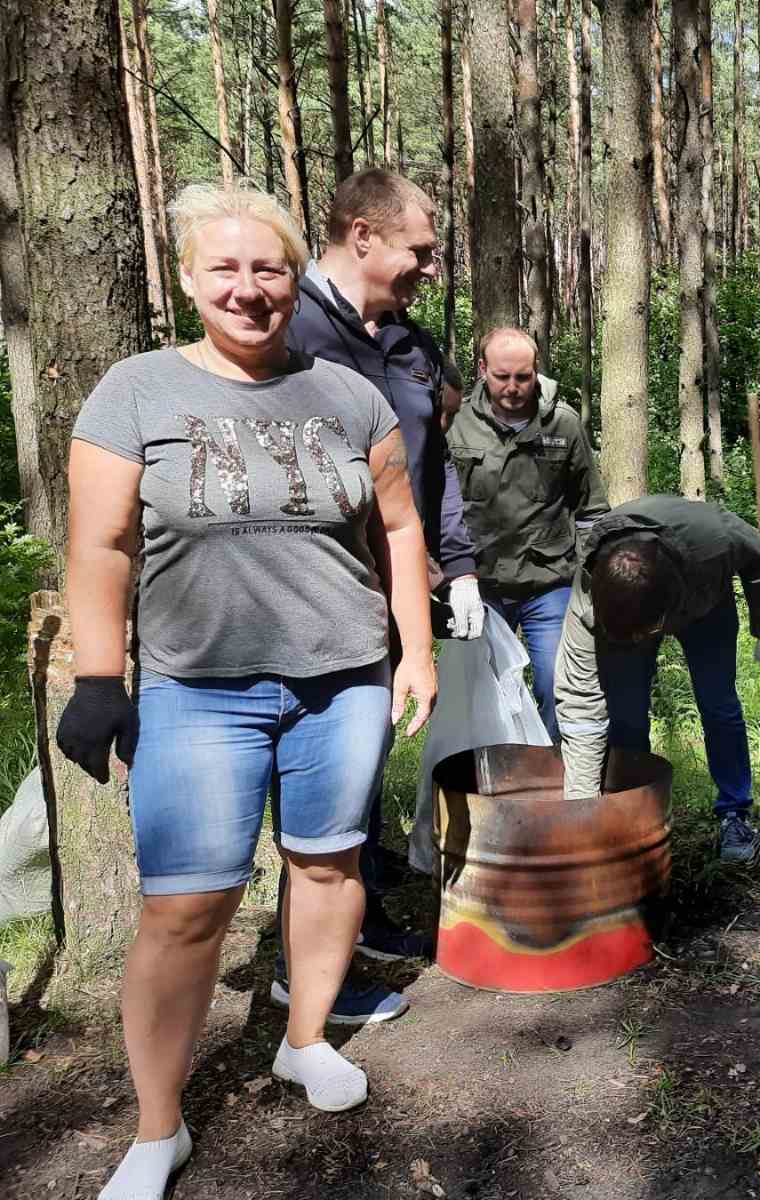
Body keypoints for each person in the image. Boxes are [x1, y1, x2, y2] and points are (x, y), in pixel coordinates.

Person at [54, 183, 437, 1200]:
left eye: (266, 268)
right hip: (198, 693)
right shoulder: (134, 391)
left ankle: (304, 1039)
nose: (249, 288)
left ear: (292, 274)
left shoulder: (350, 394)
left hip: (344, 681)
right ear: (187, 279)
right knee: (187, 910)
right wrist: (101, 676)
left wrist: (416, 651)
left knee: (327, 865)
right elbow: (98, 544)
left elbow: (398, 528)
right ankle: (157, 1129)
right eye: (224, 268)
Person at [281, 166, 484, 1021]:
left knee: (360, 764)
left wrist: (460, 562)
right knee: (317, 782)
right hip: (312, 598)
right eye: (421, 250)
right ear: (363, 235)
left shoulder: (411, 345)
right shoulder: (285, 328)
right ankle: (304, 974)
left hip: (397, 597)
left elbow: (430, 472)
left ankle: (350, 925)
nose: (432, 268)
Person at [553, 496, 760, 861]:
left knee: (718, 704)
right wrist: (580, 812)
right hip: (627, 615)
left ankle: (734, 812)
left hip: (706, 605)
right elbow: (581, 711)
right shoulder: (588, 607)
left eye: (646, 632)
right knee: (626, 714)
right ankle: (632, 814)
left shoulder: (714, 539)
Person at [448, 327, 609, 738]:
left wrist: (593, 583)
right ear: (483, 370)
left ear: (536, 372)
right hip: (479, 583)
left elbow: (590, 508)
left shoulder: (564, 423)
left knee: (559, 686)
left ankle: (554, 781)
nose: (513, 388)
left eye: (523, 377)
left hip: (548, 582)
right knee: (480, 695)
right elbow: (436, 506)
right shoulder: (457, 424)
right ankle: (493, 783)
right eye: (502, 377)